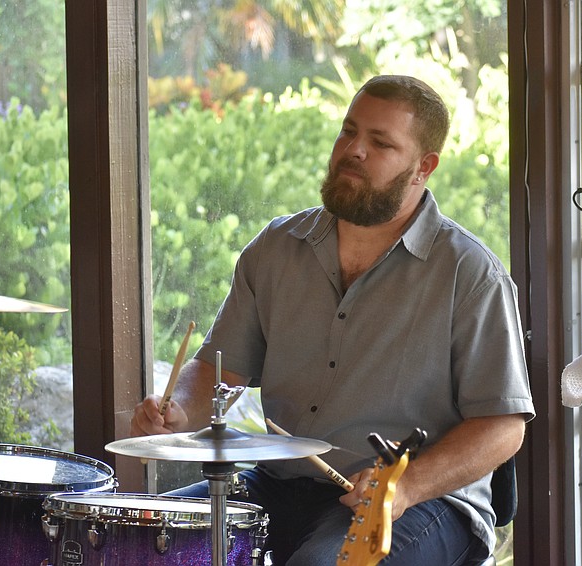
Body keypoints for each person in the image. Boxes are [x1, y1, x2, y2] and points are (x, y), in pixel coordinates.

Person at [131, 75, 535, 565]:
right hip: (277, 483)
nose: (354, 150)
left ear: (422, 168)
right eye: (349, 131)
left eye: (380, 142)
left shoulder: (470, 274)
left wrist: (404, 487)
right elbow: (222, 373)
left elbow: (503, 427)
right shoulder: (277, 248)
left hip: (417, 503)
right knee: (138, 543)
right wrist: (178, 410)